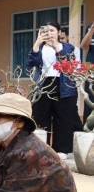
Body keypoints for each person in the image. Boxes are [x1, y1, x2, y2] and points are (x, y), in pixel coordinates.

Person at [27, 21, 83, 155]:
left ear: (59, 32)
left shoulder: (68, 47)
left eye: (52, 30)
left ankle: (62, 150)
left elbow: (68, 62)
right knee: (41, 116)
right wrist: (36, 44)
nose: (49, 33)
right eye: (46, 31)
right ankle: (41, 150)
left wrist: (57, 46)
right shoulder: (40, 48)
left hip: (64, 85)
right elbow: (31, 65)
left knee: (63, 118)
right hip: (44, 84)